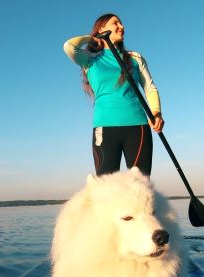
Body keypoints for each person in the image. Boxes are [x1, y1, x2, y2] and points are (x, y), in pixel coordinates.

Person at [64, 13, 164, 176]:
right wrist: (91, 38)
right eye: (115, 23)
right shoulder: (90, 59)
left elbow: (150, 88)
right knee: (106, 189)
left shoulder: (135, 58)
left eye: (122, 24)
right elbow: (69, 47)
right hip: (104, 128)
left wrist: (156, 112)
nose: (121, 26)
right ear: (102, 29)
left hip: (137, 127)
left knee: (141, 188)